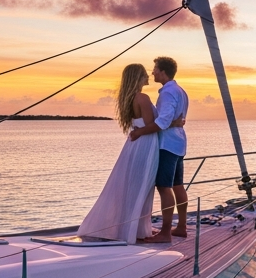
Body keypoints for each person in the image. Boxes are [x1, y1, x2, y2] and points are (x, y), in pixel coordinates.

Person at [77, 63, 182, 243]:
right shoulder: (142, 97)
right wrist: (174, 123)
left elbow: (145, 124)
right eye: (144, 74)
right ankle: (132, 230)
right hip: (146, 144)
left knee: (133, 184)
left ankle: (130, 227)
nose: (148, 76)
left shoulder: (129, 97)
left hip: (135, 144)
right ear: (138, 77)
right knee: (142, 186)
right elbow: (151, 125)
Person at [138, 56, 189, 244]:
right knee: (177, 185)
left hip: (167, 144)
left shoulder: (167, 93)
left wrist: (140, 132)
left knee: (164, 187)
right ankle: (181, 226)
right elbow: (173, 119)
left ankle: (165, 232)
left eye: (155, 69)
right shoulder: (180, 91)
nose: (153, 72)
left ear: (163, 71)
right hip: (179, 143)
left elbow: (163, 121)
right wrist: (175, 122)